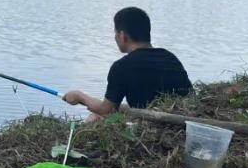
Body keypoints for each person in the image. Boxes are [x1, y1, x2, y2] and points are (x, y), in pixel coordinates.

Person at [63, 7, 192, 121]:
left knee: (94, 117)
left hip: (149, 128)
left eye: (115, 33)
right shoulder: (170, 58)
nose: (115, 38)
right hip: (178, 123)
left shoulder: (122, 67)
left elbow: (107, 111)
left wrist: (79, 96)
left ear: (122, 35)